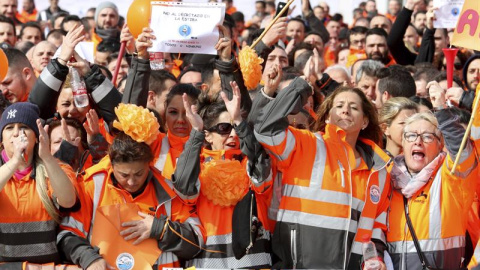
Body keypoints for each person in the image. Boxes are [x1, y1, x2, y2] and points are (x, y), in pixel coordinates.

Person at [254, 77, 391, 268]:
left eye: (354, 107)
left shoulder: (379, 170)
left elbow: (376, 226)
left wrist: (373, 258)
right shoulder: (305, 143)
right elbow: (264, 129)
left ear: (365, 121)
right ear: (327, 116)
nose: (345, 110)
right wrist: (298, 89)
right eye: (339, 105)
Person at [57, 104, 204, 269]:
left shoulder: (168, 190)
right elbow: (66, 234)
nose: (132, 182)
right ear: (111, 164)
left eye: (139, 174)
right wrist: (89, 259)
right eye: (124, 175)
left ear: (150, 164)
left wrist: (161, 229)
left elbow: (197, 242)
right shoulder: (92, 185)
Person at [173, 81, 273, 268]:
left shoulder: (251, 163)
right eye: (224, 128)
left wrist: (239, 121)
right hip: (209, 263)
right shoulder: (195, 164)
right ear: (207, 135)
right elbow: (184, 190)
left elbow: (261, 170)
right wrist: (195, 133)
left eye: (235, 128)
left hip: (254, 262)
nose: (233, 135)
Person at [386, 110, 478, 269]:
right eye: (411, 136)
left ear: (440, 145)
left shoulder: (451, 180)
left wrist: (443, 110)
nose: (418, 141)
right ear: (402, 142)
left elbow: (463, 153)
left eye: (427, 136)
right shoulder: (385, 179)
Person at [0, 102, 78, 266]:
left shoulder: (55, 168)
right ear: (2, 137)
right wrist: (15, 161)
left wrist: (47, 158)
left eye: (23, 127)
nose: (16, 133)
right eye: (9, 128)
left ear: (36, 137)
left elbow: (68, 200)